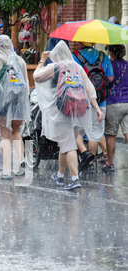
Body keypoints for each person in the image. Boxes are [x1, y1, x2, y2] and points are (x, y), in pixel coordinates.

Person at [33, 41, 103, 190]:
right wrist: (97, 108)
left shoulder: (55, 67)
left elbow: (36, 76)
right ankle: (59, 175)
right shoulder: (77, 67)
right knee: (65, 143)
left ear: (56, 55)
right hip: (79, 109)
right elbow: (90, 89)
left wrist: (42, 60)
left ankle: (74, 179)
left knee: (69, 145)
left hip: (63, 110)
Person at [0, 34, 30, 180]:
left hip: (3, 100)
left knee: (4, 134)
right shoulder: (20, 61)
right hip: (19, 99)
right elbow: (26, 83)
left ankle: (6, 170)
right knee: (16, 132)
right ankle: (21, 158)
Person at [73, 42, 114, 172]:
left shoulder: (75, 56)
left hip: (81, 101)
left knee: (76, 131)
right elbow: (111, 78)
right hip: (100, 102)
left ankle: (85, 157)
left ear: (81, 42)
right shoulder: (103, 56)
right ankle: (90, 164)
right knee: (94, 134)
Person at [102, 44, 128, 173]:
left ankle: (110, 163)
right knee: (127, 132)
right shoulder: (127, 65)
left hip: (113, 101)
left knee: (111, 134)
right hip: (127, 101)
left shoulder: (109, 65)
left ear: (112, 52)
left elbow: (106, 81)